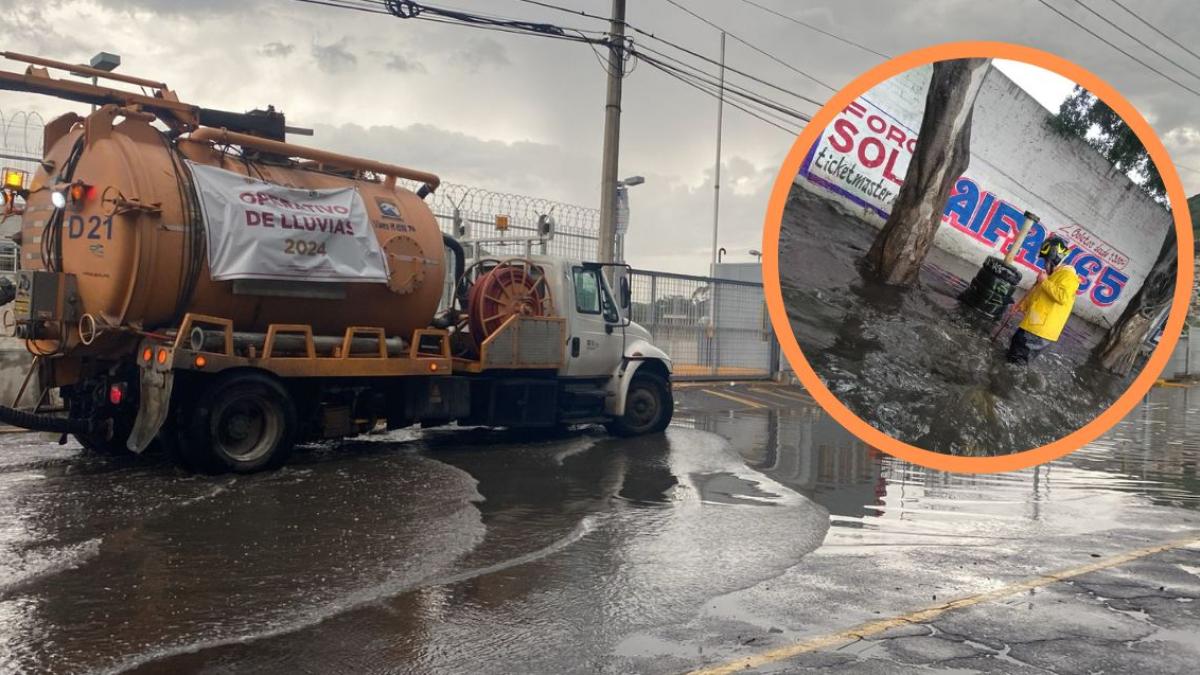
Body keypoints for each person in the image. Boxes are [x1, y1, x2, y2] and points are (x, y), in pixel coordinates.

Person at [1005, 234, 1080, 365]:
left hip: (1039, 330)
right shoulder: (1054, 275)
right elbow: (1038, 297)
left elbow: (1063, 297)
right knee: (1015, 350)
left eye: (1046, 261)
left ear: (1054, 259)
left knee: (1017, 359)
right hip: (1034, 325)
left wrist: (1044, 282)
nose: (1044, 265)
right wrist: (1020, 306)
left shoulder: (1068, 276)